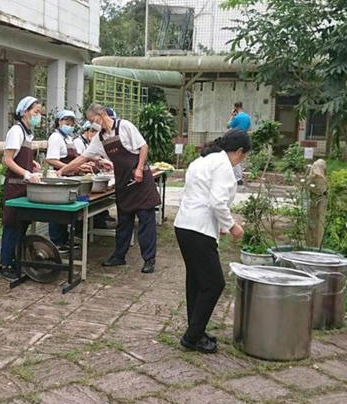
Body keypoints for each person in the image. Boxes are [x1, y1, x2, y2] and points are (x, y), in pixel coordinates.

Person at [59, 104, 161, 274]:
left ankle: (149, 259)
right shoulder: (99, 139)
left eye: (94, 121)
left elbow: (143, 147)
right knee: (124, 222)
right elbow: (82, 159)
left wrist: (139, 168)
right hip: (123, 183)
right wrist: (62, 171)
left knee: (145, 221)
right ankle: (119, 256)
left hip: (140, 181)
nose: (93, 125)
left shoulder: (125, 126)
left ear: (101, 114)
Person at [174, 129, 249, 353]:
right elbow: (217, 202)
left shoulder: (202, 160)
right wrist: (232, 226)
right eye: (243, 156)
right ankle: (192, 337)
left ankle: (196, 332)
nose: (241, 160)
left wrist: (219, 224)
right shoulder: (224, 165)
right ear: (239, 151)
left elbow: (196, 195)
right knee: (214, 283)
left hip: (185, 225)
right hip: (199, 229)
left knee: (196, 281)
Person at [0, 96, 43, 281]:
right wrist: (26, 173)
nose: (38, 116)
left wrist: (31, 163)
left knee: (21, 226)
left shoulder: (27, 133)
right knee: (12, 226)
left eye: (40, 113)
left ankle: (17, 260)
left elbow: (18, 155)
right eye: (35, 112)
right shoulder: (16, 131)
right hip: (14, 188)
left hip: (23, 188)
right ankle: (5, 264)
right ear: (25, 112)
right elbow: (7, 159)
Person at [46, 110, 79, 252]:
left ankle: (65, 239)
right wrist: (68, 168)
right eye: (66, 122)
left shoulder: (69, 138)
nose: (69, 125)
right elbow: (51, 159)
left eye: (71, 122)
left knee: (66, 212)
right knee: (57, 212)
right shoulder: (55, 138)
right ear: (59, 122)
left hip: (70, 178)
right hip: (59, 179)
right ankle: (57, 241)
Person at [227, 101, 251, 185]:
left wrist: (231, 116)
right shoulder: (247, 117)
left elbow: (228, 125)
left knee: (234, 156)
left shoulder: (236, 117)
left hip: (235, 138)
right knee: (241, 156)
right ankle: (239, 176)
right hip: (244, 137)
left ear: (235, 108)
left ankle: (237, 178)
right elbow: (249, 127)